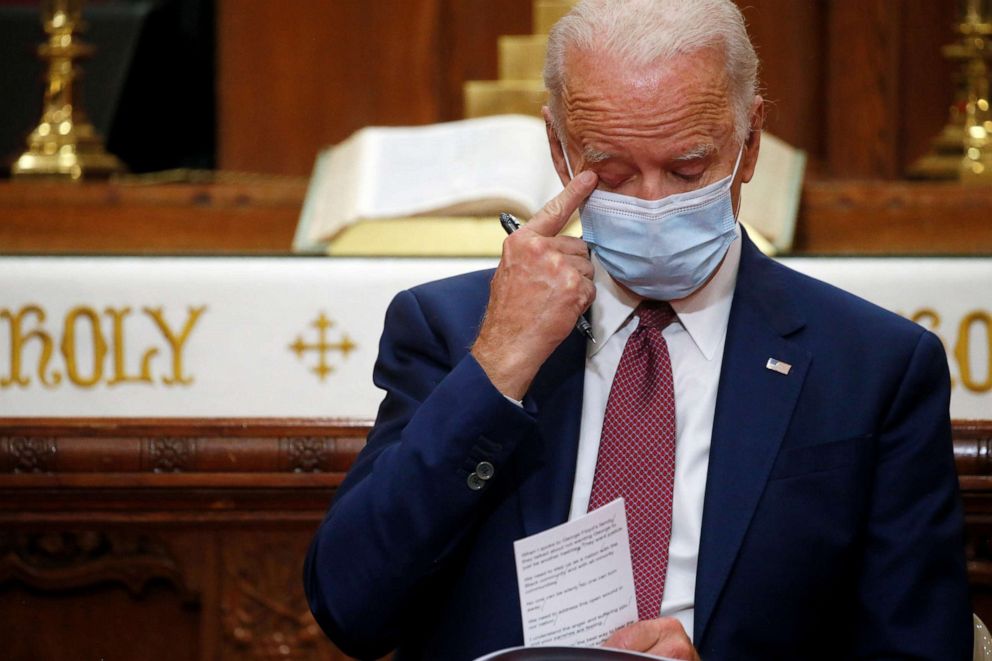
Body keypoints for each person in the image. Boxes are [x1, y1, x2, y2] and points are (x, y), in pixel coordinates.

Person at [304, 1, 972, 659]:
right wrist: (499, 364)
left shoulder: (872, 366)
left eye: (687, 168)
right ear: (560, 152)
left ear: (751, 140)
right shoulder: (451, 330)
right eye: (614, 172)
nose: (652, 205)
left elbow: (917, 646)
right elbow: (351, 609)